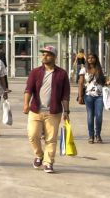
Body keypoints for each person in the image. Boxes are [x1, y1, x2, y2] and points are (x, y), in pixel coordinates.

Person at [24, 44, 71, 174]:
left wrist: (66, 111)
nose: (44, 56)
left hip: (53, 112)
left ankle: (48, 162)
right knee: (33, 135)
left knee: (51, 139)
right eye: (43, 54)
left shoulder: (62, 74)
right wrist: (26, 104)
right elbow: (28, 90)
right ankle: (39, 155)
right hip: (36, 110)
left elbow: (65, 94)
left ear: (54, 57)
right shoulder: (35, 72)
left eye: (48, 54)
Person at [77, 53, 108, 144]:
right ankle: (91, 136)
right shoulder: (84, 70)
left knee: (99, 116)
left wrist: (108, 82)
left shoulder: (100, 70)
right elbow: (80, 83)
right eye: (89, 58)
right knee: (90, 116)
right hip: (88, 95)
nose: (90, 59)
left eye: (92, 58)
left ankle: (98, 135)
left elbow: (104, 81)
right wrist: (80, 96)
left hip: (100, 96)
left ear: (96, 59)